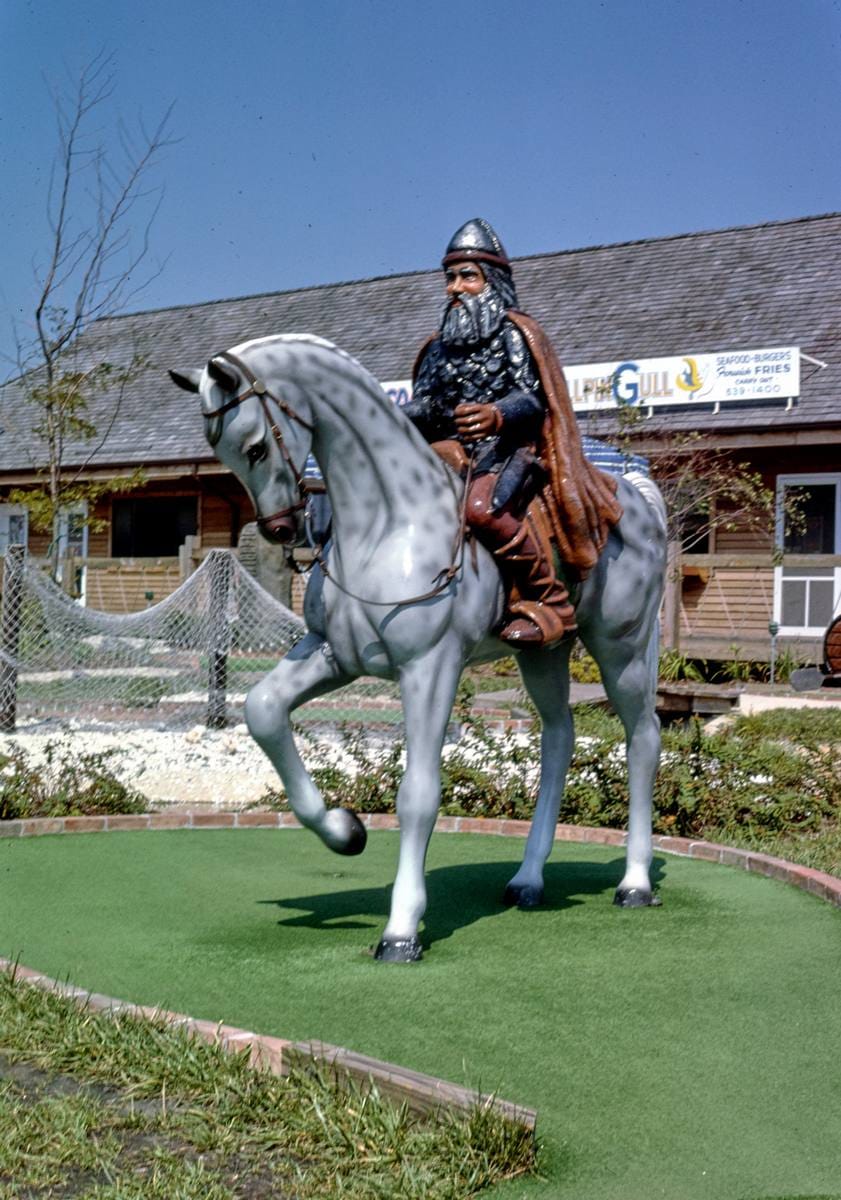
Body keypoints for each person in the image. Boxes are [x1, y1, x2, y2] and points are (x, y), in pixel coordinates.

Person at [403, 218, 623, 646]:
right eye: (450, 277)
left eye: (468, 276)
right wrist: (396, 416)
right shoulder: (436, 347)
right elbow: (428, 404)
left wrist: (496, 414)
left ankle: (549, 601)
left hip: (509, 448)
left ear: (491, 281)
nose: (455, 287)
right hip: (447, 451)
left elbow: (532, 398)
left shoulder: (514, 334)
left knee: (483, 509)